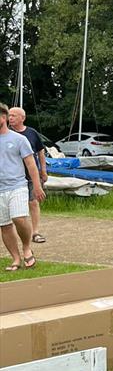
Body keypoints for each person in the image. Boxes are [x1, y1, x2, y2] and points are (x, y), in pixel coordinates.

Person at [0, 102, 45, 270]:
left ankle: (26, 247)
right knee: (4, 226)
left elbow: (31, 163)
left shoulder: (19, 139)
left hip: (17, 185)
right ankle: (16, 259)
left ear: (3, 118)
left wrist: (38, 186)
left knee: (19, 218)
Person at [8, 106, 48, 243]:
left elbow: (40, 152)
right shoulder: (5, 134)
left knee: (33, 202)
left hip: (31, 174)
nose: (10, 118)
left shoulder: (32, 133)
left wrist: (43, 170)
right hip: (12, 176)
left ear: (22, 118)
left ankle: (35, 232)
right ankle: (13, 232)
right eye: (9, 115)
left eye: (13, 115)